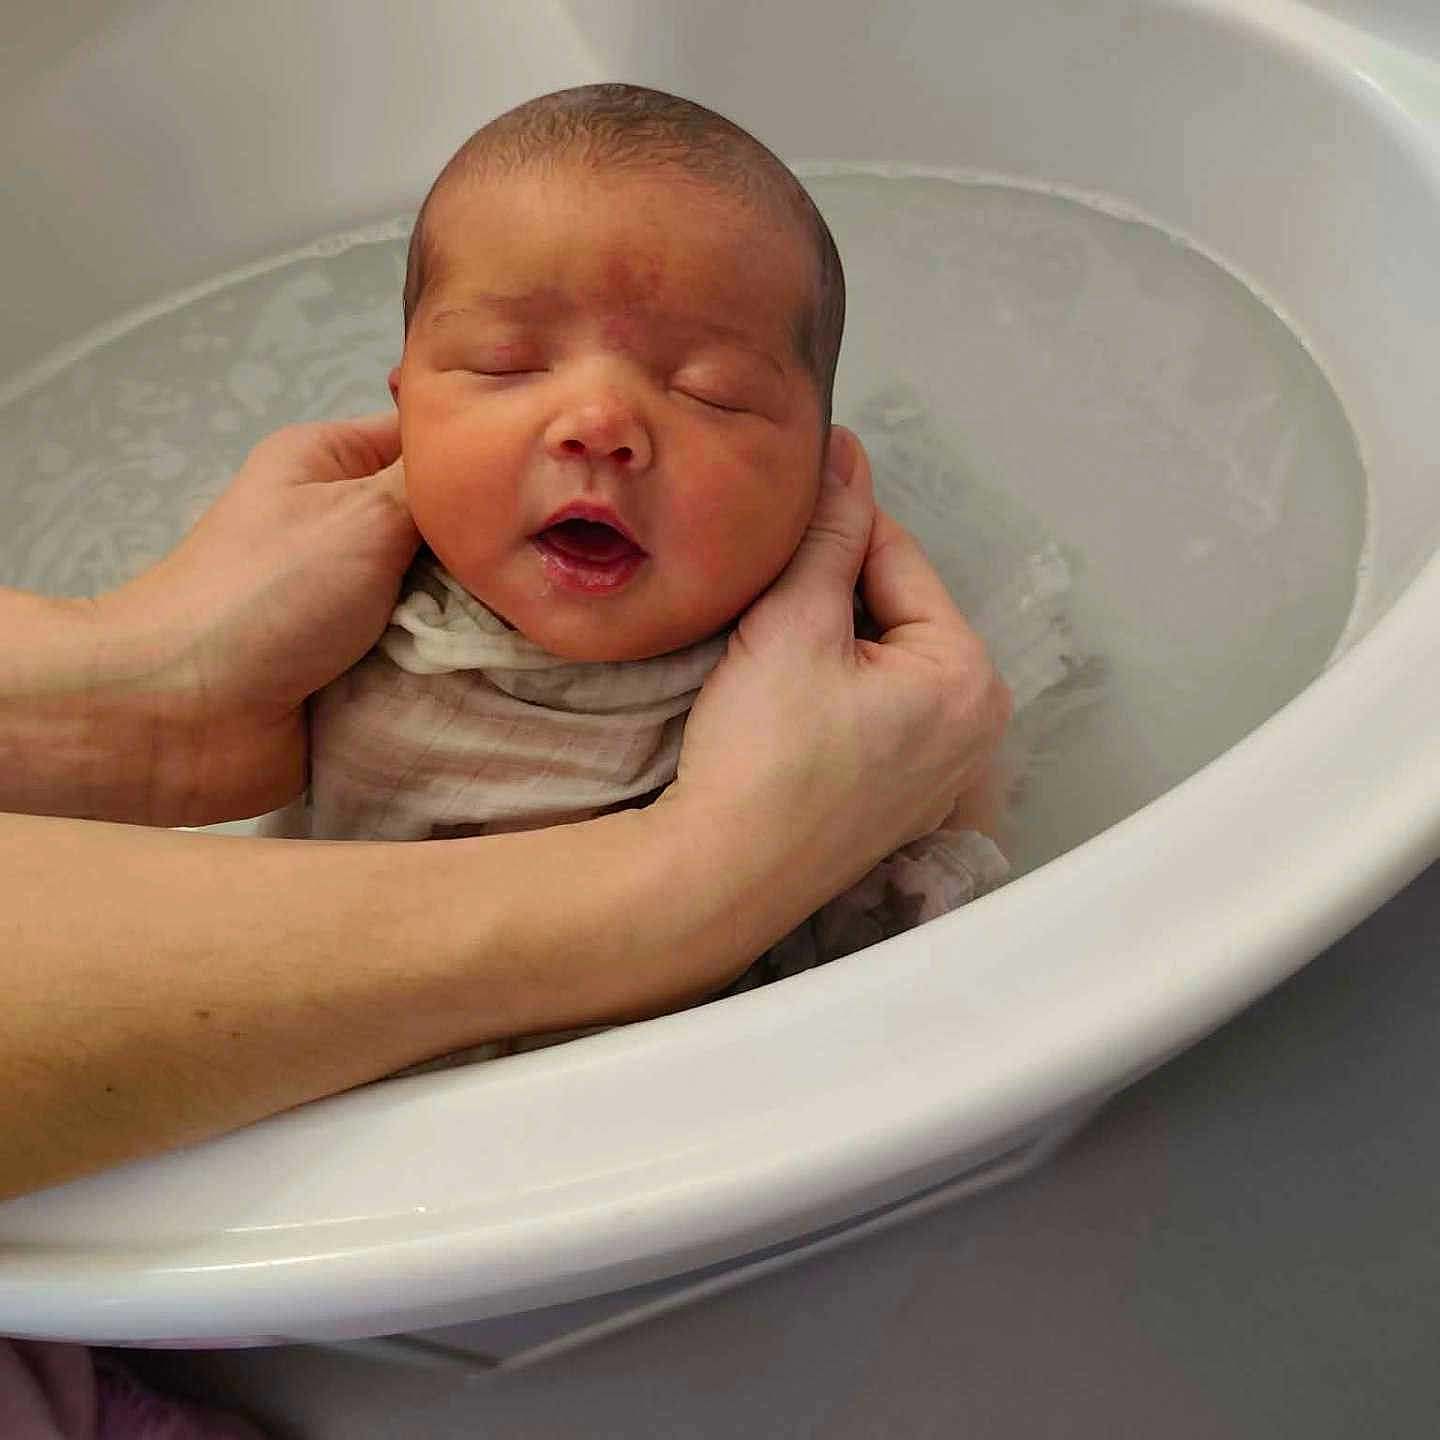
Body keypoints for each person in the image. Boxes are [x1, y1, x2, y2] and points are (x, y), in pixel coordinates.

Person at [273, 86, 1010, 1067]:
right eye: (506, 363)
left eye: (707, 389)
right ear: (406, 411)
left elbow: (952, 834)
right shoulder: (322, 609)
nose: (598, 422)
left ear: (818, 469)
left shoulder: (849, 677)